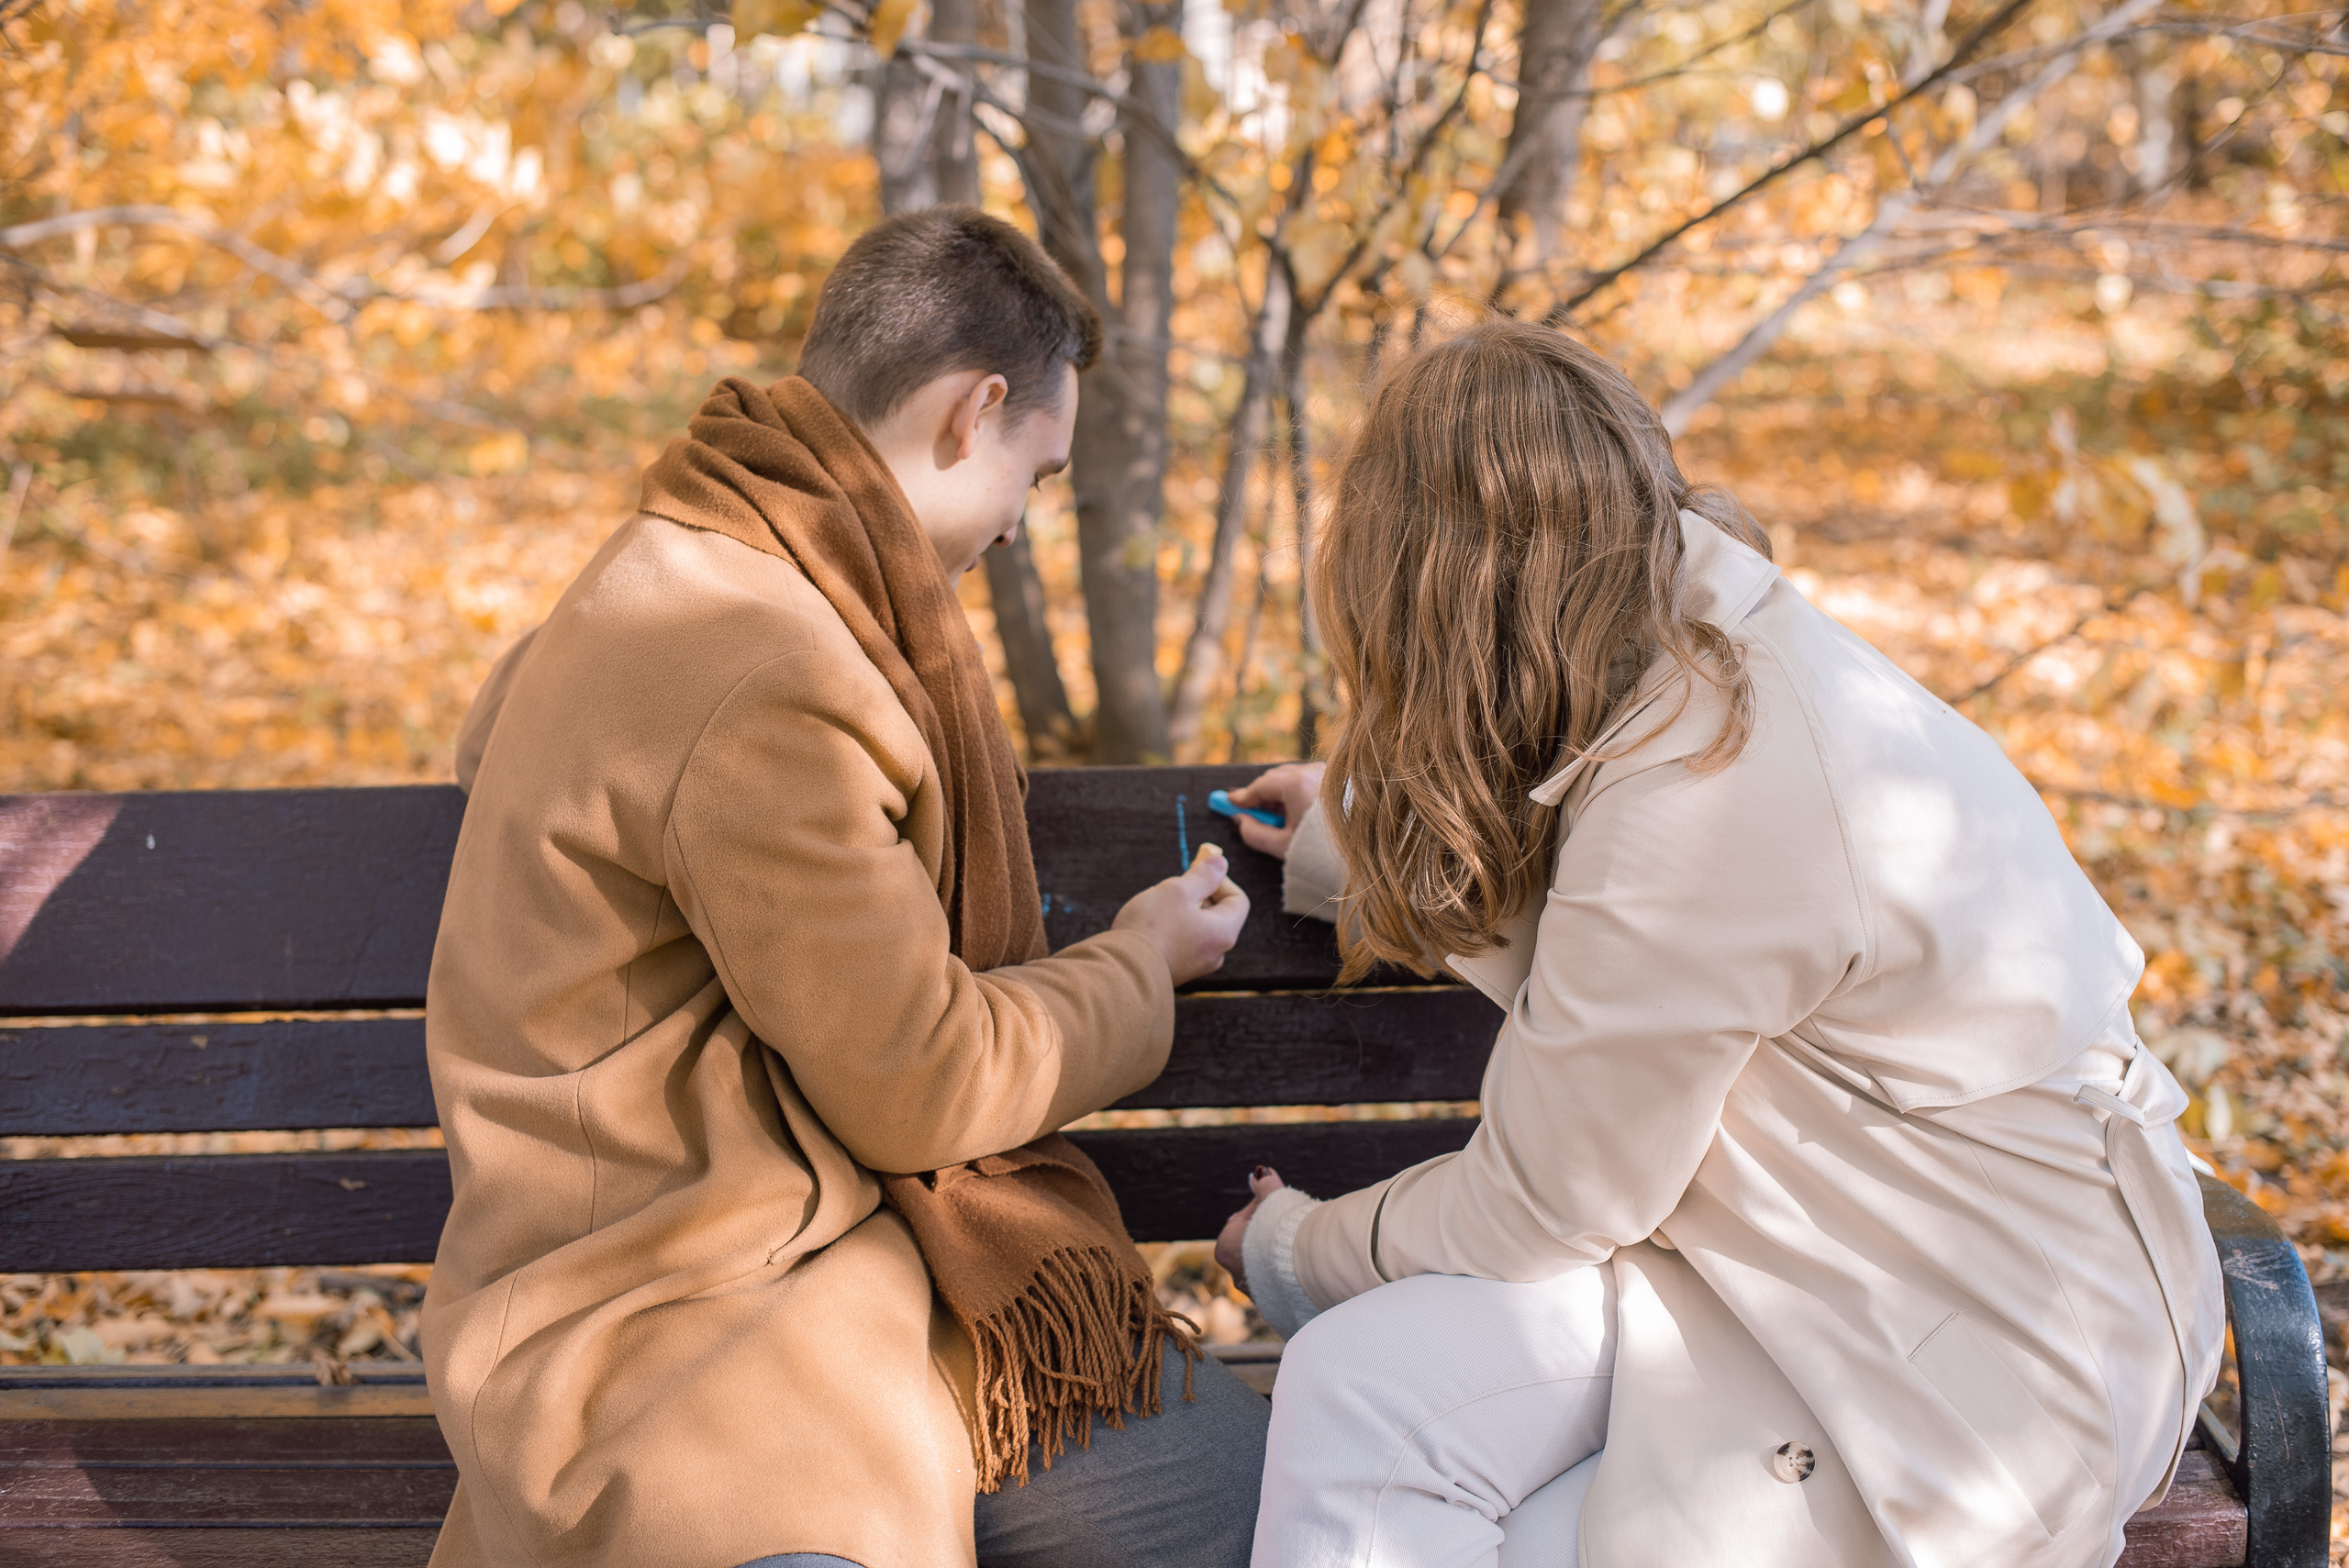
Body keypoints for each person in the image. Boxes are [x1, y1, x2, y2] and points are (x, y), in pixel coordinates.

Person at [1214, 320, 2222, 1568]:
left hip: (1977, 1355)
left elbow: (1539, 1208)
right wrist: (1349, 849)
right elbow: (1603, 907)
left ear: (1431, 597)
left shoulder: (1709, 784)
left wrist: (1289, 1245)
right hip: (1802, 1258)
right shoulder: (1690, 645)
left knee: (1524, 1535)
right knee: (1360, 1386)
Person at [421, 206, 1269, 1568]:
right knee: (1246, 1515)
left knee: (1253, 1499)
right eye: (1036, 476)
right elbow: (921, 1084)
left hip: (818, 1266)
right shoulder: (771, 666)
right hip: (691, 1324)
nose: (1018, 529)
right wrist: (1141, 961)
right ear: (971, 411)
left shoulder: (680, 563)